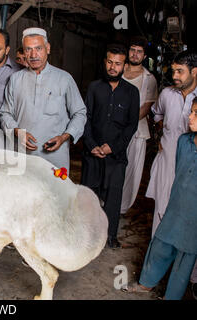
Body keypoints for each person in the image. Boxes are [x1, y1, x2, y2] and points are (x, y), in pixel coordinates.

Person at [123, 98, 197, 300]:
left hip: (195, 215)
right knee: (161, 243)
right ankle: (146, 283)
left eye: (195, 114)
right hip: (177, 205)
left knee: (186, 256)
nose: (189, 117)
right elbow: (179, 171)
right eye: (191, 111)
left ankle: (172, 296)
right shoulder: (184, 141)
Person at [0, 27, 86, 171]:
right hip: (23, 156)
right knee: (22, 192)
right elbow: (5, 113)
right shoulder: (15, 79)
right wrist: (17, 131)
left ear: (48, 48)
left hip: (54, 157)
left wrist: (64, 137)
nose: (33, 55)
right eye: (28, 49)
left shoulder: (64, 79)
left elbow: (80, 113)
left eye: (38, 48)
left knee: (55, 192)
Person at [81, 44, 140, 249]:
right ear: (104, 62)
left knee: (113, 197)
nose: (113, 67)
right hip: (92, 153)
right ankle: (87, 236)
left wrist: (112, 148)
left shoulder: (132, 92)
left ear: (124, 66)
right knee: (89, 196)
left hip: (116, 156)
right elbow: (85, 118)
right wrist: (91, 145)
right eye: (109, 62)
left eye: (117, 63)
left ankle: (110, 236)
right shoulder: (95, 87)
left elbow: (131, 125)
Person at [145, 50, 197, 237]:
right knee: (162, 207)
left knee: (187, 210)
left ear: (194, 72)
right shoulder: (167, 94)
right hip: (167, 160)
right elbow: (157, 114)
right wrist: (161, 134)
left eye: (180, 71)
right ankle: (158, 254)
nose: (174, 76)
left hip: (191, 165)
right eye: (173, 71)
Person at [120, 36, 158, 215]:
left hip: (136, 131)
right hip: (112, 128)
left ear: (144, 56)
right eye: (132, 50)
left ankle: (122, 206)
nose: (135, 54)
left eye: (139, 52)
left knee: (131, 170)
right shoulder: (118, 69)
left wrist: (125, 124)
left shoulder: (149, 79)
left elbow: (146, 107)